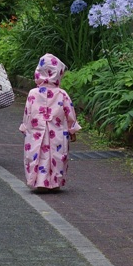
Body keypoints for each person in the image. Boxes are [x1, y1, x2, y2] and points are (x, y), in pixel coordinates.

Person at [19, 53, 81, 191]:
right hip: (57, 131)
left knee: (37, 155)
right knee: (57, 155)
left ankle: (38, 182)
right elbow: (69, 112)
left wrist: (25, 128)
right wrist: (72, 129)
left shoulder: (32, 93)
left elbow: (27, 113)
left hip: (35, 132)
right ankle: (54, 183)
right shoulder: (62, 94)